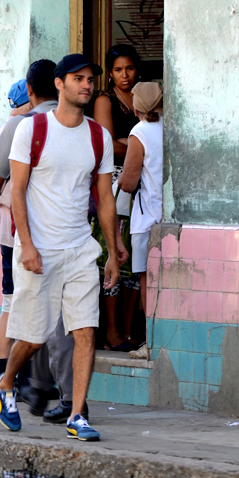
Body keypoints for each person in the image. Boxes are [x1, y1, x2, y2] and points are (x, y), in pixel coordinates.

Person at [0, 54, 119, 441]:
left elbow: (105, 197)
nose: (87, 85)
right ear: (59, 84)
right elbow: (17, 191)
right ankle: (5, 383)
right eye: (78, 79)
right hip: (38, 251)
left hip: (80, 248)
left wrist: (113, 250)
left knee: (84, 332)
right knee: (32, 336)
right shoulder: (32, 130)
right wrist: (25, 245)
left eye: (90, 79)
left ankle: (77, 415)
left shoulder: (98, 136)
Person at [0, 64, 77, 422]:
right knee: (57, 315)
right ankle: (58, 392)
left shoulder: (20, 125)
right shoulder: (79, 125)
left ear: (30, 89)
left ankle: (11, 380)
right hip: (65, 236)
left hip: (21, 238)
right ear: (60, 86)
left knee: (18, 307)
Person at [93, 44, 141, 351]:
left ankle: (126, 331)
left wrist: (131, 143)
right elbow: (107, 144)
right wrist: (137, 144)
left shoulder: (144, 97)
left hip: (141, 187)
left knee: (135, 260)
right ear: (110, 73)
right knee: (112, 257)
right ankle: (110, 332)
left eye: (129, 68)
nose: (125, 75)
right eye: (118, 70)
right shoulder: (104, 100)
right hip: (113, 186)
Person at [116, 81, 164, 361]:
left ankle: (150, 342)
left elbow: (130, 180)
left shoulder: (140, 131)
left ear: (137, 105)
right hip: (166, 217)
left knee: (146, 280)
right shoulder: (168, 128)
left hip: (146, 219)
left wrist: (120, 180)